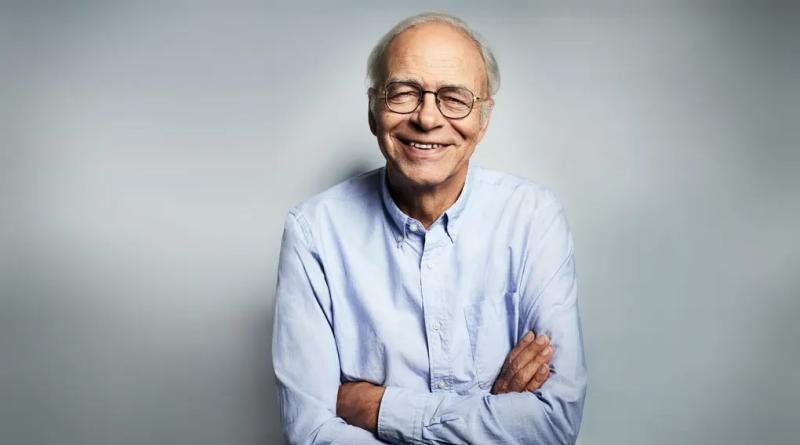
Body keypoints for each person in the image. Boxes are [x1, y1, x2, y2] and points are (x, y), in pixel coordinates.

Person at [272, 12, 587, 445]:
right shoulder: (313, 234)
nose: (427, 118)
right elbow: (311, 432)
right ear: (373, 109)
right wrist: (491, 415)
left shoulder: (533, 218)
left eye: (454, 98)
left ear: (484, 119)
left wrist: (378, 408)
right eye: (403, 93)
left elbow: (553, 423)